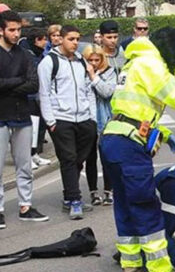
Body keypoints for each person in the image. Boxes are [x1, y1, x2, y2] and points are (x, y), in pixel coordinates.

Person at [100, 27, 175, 272]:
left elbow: (133, 109)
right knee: (147, 208)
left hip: (113, 139)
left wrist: (161, 132)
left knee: (126, 207)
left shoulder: (133, 62)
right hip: (129, 146)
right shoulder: (151, 63)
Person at [37, 25, 98, 220]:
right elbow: (43, 93)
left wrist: (92, 118)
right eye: (71, 39)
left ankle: (68, 196)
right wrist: (51, 120)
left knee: (78, 159)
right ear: (61, 39)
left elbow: (88, 90)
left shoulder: (80, 60)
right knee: (69, 159)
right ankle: (74, 200)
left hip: (84, 119)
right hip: (61, 119)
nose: (75, 43)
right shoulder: (49, 62)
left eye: (77, 39)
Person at [0, 10, 49, 228]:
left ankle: (25, 206)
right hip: (1, 116)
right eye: (11, 29)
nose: (16, 33)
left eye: (18, 29)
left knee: (25, 165)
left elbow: (33, 84)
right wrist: (17, 82)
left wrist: (8, 84)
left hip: (22, 115)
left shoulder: (24, 54)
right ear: (1, 30)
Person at [81, 45, 118, 206]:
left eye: (97, 60)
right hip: (87, 119)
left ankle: (109, 191)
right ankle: (93, 192)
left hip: (106, 120)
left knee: (107, 157)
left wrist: (94, 77)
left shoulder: (110, 72)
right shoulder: (79, 72)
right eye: (90, 60)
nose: (94, 63)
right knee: (90, 157)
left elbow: (107, 91)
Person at [21, 28, 53, 169]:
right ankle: (27, 156)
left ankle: (34, 154)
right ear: (36, 40)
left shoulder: (39, 55)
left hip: (38, 95)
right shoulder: (28, 55)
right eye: (43, 39)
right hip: (29, 97)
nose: (46, 42)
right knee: (30, 128)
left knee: (38, 128)